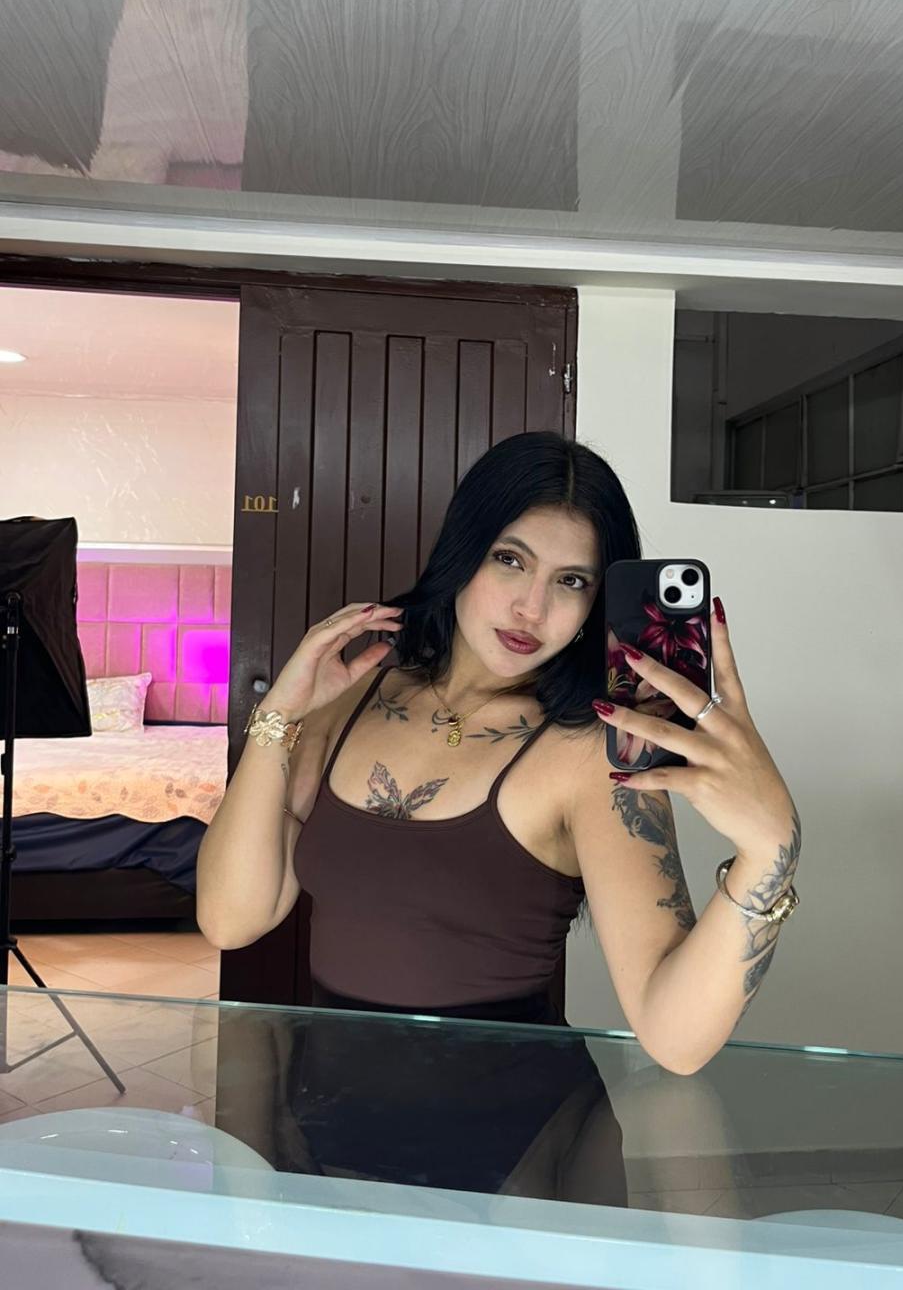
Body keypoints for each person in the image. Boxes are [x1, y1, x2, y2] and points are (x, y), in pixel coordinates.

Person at [197, 431, 800, 1199]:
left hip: (517, 1161)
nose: (532, 607)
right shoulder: (351, 695)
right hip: (325, 1124)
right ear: (463, 550)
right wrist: (279, 715)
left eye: (571, 581)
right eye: (510, 559)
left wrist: (769, 850)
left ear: (595, 604)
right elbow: (230, 919)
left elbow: (674, 1039)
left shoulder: (592, 754)